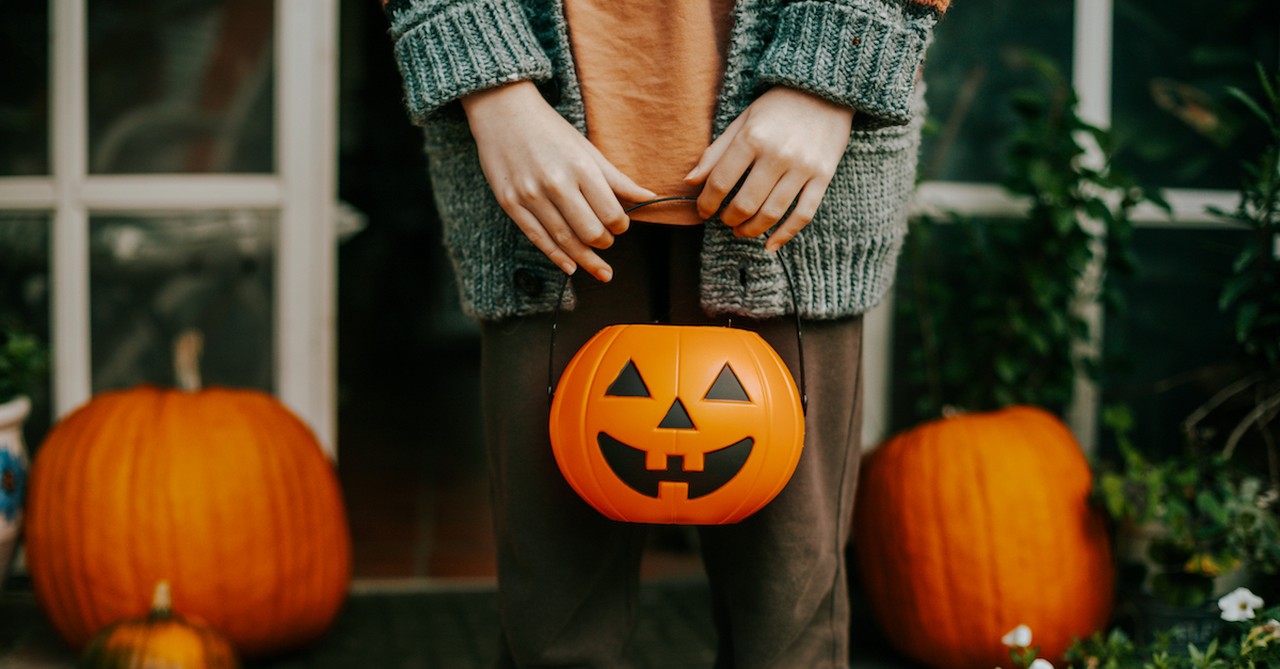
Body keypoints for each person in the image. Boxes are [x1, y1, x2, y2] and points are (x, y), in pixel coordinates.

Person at [382, 1, 948, 666]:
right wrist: (492, 85)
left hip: (789, 181)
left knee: (790, 623)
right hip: (542, 187)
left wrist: (834, 68)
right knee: (553, 629)